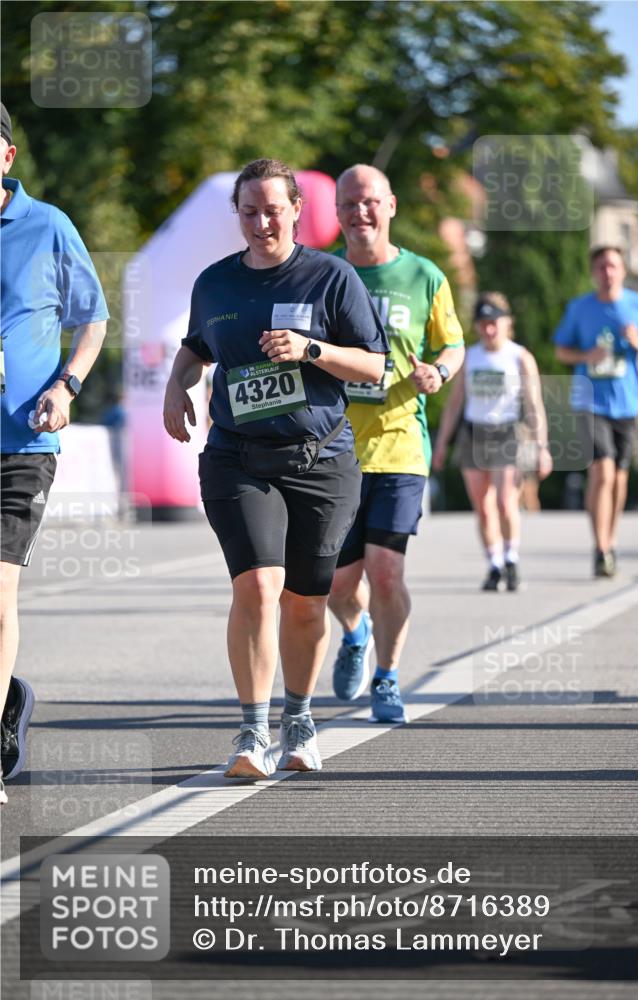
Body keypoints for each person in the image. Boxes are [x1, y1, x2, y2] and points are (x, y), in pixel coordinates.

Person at [163, 158, 388, 780]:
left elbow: (375, 368)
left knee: (306, 602)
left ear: (296, 210)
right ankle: (251, 729)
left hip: (321, 461)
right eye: (249, 211)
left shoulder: (332, 277)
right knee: (257, 586)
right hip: (238, 457)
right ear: (237, 215)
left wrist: (311, 349)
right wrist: (175, 387)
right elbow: (196, 348)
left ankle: (300, 717)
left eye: (272, 209)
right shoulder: (214, 284)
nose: (262, 221)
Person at [327, 164, 465, 723]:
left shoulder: (424, 275)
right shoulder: (322, 274)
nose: (360, 212)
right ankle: (355, 632)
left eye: (370, 202)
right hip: (334, 449)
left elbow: (451, 345)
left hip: (401, 446)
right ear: (336, 213)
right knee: (336, 586)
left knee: (386, 570)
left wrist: (439, 372)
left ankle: (387, 676)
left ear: (391, 206)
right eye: (348, 204)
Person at [0, 103, 109, 804]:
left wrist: (68, 385)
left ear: (6, 157)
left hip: (21, 442)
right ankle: (10, 698)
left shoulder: (47, 226)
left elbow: (93, 316)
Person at [554, 246, 638, 577]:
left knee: (618, 477)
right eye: (601, 267)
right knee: (601, 471)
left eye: (613, 266)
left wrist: (637, 341)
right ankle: (600, 546)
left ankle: (611, 539)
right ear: (594, 272)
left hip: (626, 402)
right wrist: (586, 356)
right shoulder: (580, 308)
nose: (608, 272)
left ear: (623, 271)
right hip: (589, 401)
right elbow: (561, 350)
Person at [433, 293, 553, 591]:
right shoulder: (470, 357)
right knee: (483, 507)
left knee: (504, 501)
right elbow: (454, 404)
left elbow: (535, 404)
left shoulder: (519, 357)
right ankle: (494, 563)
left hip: (507, 431)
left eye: (494, 323)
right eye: (483, 324)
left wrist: (542, 447)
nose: (489, 330)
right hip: (475, 432)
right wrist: (441, 444)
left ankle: (511, 558)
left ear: (506, 323)